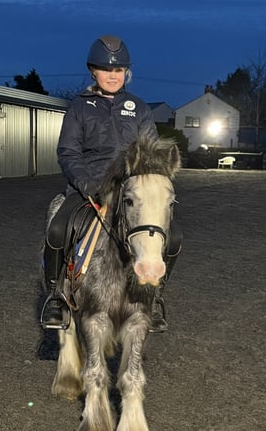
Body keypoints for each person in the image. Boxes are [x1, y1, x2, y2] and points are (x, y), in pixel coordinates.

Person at [40, 34, 182, 332]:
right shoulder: (79, 107)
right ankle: (55, 296)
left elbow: (152, 153)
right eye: (106, 70)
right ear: (94, 71)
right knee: (57, 228)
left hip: (131, 191)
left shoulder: (139, 107)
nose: (112, 75)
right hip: (88, 186)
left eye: (118, 71)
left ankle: (154, 296)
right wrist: (88, 185)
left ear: (126, 73)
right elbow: (68, 151)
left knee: (175, 235)